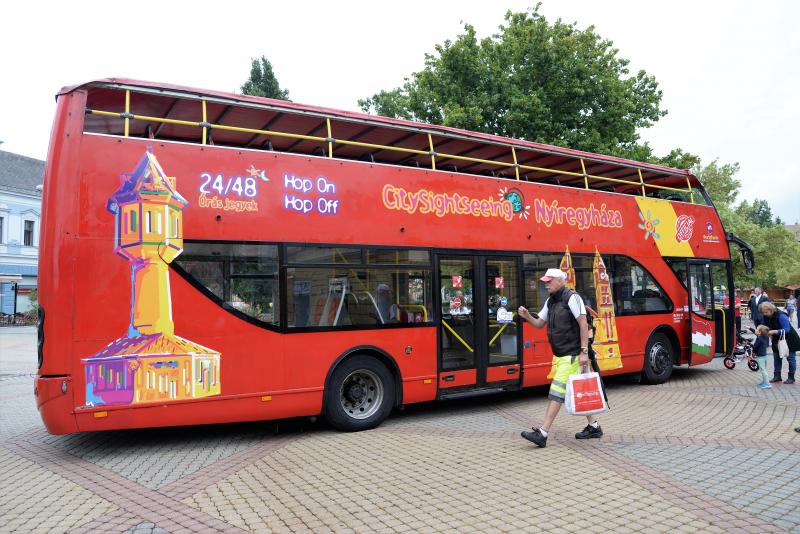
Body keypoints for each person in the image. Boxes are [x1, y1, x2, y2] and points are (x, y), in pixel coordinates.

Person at [517, 268, 602, 447]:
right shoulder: (551, 301)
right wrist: (527, 316)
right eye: (545, 282)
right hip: (561, 356)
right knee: (578, 390)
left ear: (559, 280)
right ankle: (594, 426)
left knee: (556, 393)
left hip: (572, 355)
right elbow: (539, 323)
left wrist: (584, 352)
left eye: (549, 281)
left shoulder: (572, 298)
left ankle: (543, 433)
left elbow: (583, 324)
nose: (546, 285)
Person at [760, 301, 800, 384]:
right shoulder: (765, 316)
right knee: (776, 357)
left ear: (771, 310)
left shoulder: (781, 316)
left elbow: (787, 330)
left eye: (766, 312)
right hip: (776, 339)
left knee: (790, 358)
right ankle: (777, 376)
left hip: (789, 339)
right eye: (763, 312)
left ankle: (791, 377)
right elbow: (764, 326)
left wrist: (774, 331)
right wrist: (762, 330)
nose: (764, 314)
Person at [752, 325, 772, 389]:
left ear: (760, 332)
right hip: (764, 355)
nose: (756, 330)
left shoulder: (759, 338)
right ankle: (764, 381)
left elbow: (755, 347)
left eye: (757, 329)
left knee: (763, 370)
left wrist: (753, 351)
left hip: (760, 356)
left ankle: (767, 383)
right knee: (764, 369)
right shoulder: (766, 337)